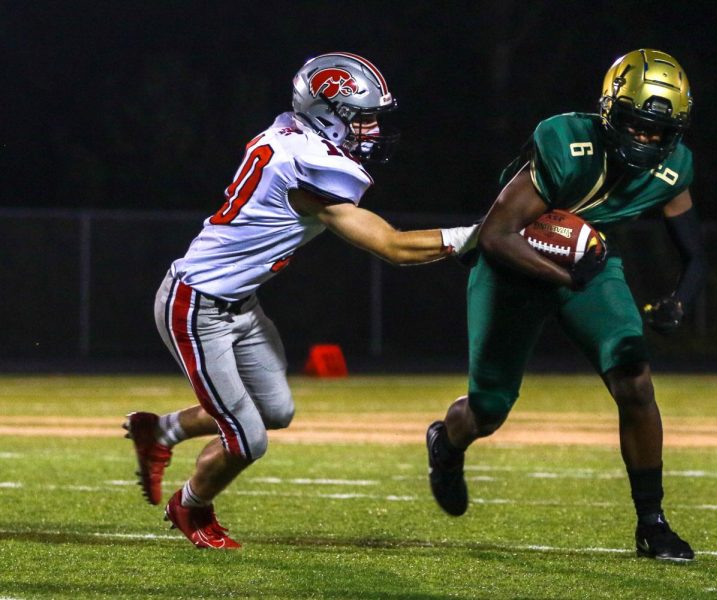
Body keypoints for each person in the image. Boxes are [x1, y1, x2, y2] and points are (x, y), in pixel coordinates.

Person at [123, 51, 477, 549]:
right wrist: (479, 235)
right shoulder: (309, 165)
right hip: (197, 304)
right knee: (248, 439)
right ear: (326, 113)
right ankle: (191, 506)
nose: (372, 130)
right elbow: (394, 248)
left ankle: (159, 431)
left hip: (240, 304)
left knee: (275, 409)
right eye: (363, 118)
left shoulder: (291, 135)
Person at [426, 49, 705, 562]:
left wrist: (679, 302)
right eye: (634, 125)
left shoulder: (674, 169)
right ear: (608, 112)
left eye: (656, 132)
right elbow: (496, 234)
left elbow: (694, 255)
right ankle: (447, 443)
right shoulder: (567, 142)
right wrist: (565, 276)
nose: (644, 139)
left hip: (588, 265)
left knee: (636, 380)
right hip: (513, 267)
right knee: (487, 410)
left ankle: (653, 523)